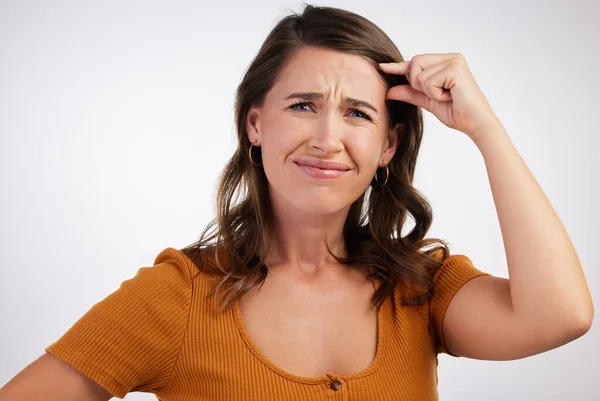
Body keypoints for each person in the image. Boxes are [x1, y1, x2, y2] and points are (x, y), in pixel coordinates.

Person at [0, 4, 593, 401]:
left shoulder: (420, 289)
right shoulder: (174, 299)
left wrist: (486, 128)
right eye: (303, 105)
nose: (326, 138)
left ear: (388, 144)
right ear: (256, 123)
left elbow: (560, 316)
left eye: (358, 113)